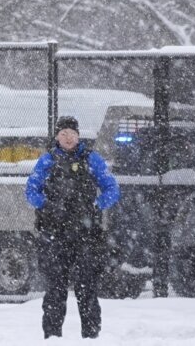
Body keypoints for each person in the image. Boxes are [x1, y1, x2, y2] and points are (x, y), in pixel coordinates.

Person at [25, 115, 121, 339]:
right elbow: (31, 190)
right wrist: (45, 206)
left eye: (72, 134)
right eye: (63, 134)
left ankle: (91, 336)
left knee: (86, 289)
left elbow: (112, 189)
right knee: (55, 290)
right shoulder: (47, 161)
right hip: (54, 235)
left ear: (79, 136)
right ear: (57, 137)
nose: (68, 138)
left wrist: (97, 205)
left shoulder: (92, 160)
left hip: (85, 236)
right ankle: (52, 337)